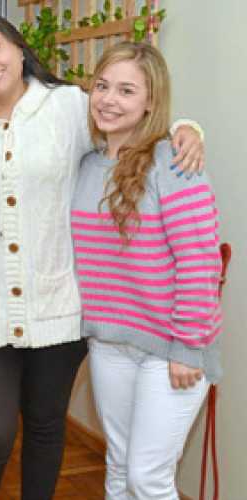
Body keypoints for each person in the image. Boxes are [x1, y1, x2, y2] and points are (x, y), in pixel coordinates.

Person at [0, 10, 206, 500]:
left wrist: (186, 127)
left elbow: (130, 118)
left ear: (17, 47)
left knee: (45, 428)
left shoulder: (69, 106)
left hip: (58, 311)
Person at [73, 41, 222, 500]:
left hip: (170, 350)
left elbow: (199, 259)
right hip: (109, 343)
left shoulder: (173, 163)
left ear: (150, 102)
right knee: (118, 469)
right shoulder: (85, 164)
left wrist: (187, 347)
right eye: (102, 86)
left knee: (147, 478)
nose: (109, 99)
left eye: (126, 90)